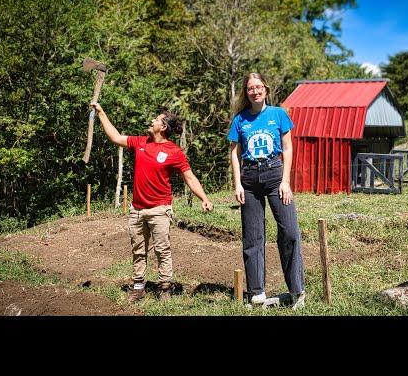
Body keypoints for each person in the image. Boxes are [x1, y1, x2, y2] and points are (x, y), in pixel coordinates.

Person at [91, 102, 213, 302]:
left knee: (162, 250)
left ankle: (165, 288)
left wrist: (204, 198)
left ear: (163, 127)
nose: (152, 121)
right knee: (138, 250)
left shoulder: (174, 151)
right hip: (137, 210)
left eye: (156, 120)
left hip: (160, 209)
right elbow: (115, 137)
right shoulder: (140, 142)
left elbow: (190, 178)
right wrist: (101, 113)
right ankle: (138, 287)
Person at [228, 72, 306, 310]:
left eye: (258, 86)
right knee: (253, 236)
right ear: (246, 93)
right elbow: (233, 152)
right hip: (249, 178)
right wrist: (238, 183)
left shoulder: (278, 114)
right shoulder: (239, 119)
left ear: (266, 89)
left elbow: (287, 147)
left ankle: (297, 291)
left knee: (290, 232)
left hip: (275, 175)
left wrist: (286, 181)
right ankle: (257, 292)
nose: (255, 91)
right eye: (250, 88)